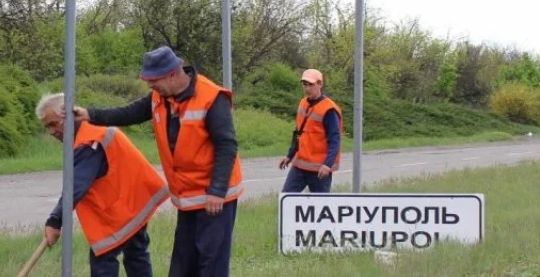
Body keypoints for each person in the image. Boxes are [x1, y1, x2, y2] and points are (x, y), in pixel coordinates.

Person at [71, 46, 243, 277]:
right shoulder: (160, 96)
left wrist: (217, 190)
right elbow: (129, 113)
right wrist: (90, 114)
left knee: (211, 266)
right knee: (183, 266)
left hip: (215, 198)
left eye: (153, 80)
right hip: (188, 197)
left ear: (172, 74)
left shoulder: (211, 97)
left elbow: (227, 145)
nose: (150, 86)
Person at [37, 93, 168, 277]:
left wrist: (55, 221)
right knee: (136, 256)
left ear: (68, 115)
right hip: (132, 205)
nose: (51, 131)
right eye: (47, 127)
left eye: (53, 124)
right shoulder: (89, 131)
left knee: (104, 259)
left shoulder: (89, 140)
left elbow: (75, 186)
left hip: (124, 208)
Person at [278, 68, 344, 193]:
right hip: (299, 166)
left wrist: (327, 165)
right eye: (305, 84)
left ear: (320, 84)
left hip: (319, 169)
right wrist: (289, 156)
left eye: (311, 85)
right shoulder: (303, 103)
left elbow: (335, 140)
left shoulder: (329, 109)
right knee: (286, 201)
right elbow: (298, 132)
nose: (307, 88)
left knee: (321, 208)